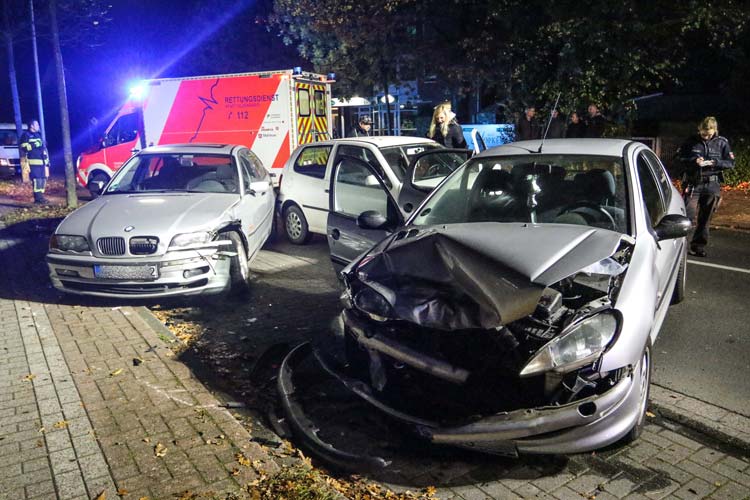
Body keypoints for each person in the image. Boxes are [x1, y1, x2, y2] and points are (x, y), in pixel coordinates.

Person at [679, 116, 735, 257]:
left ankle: (698, 247)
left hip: (712, 184)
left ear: (715, 131)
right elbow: (679, 158)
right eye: (703, 133)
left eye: (708, 134)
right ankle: (679, 247)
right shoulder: (691, 141)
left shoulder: (722, 143)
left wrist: (715, 162)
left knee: (705, 218)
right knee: (687, 217)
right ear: (699, 129)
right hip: (693, 183)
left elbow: (730, 163)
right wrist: (693, 160)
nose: (705, 136)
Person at [19, 119, 50, 204]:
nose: (38, 126)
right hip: (33, 162)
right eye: (36, 125)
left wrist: (46, 160)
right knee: (37, 180)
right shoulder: (26, 135)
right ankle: (38, 199)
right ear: (31, 126)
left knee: (43, 180)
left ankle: (41, 197)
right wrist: (34, 144)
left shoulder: (38, 135)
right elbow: (24, 147)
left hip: (41, 161)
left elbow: (43, 148)